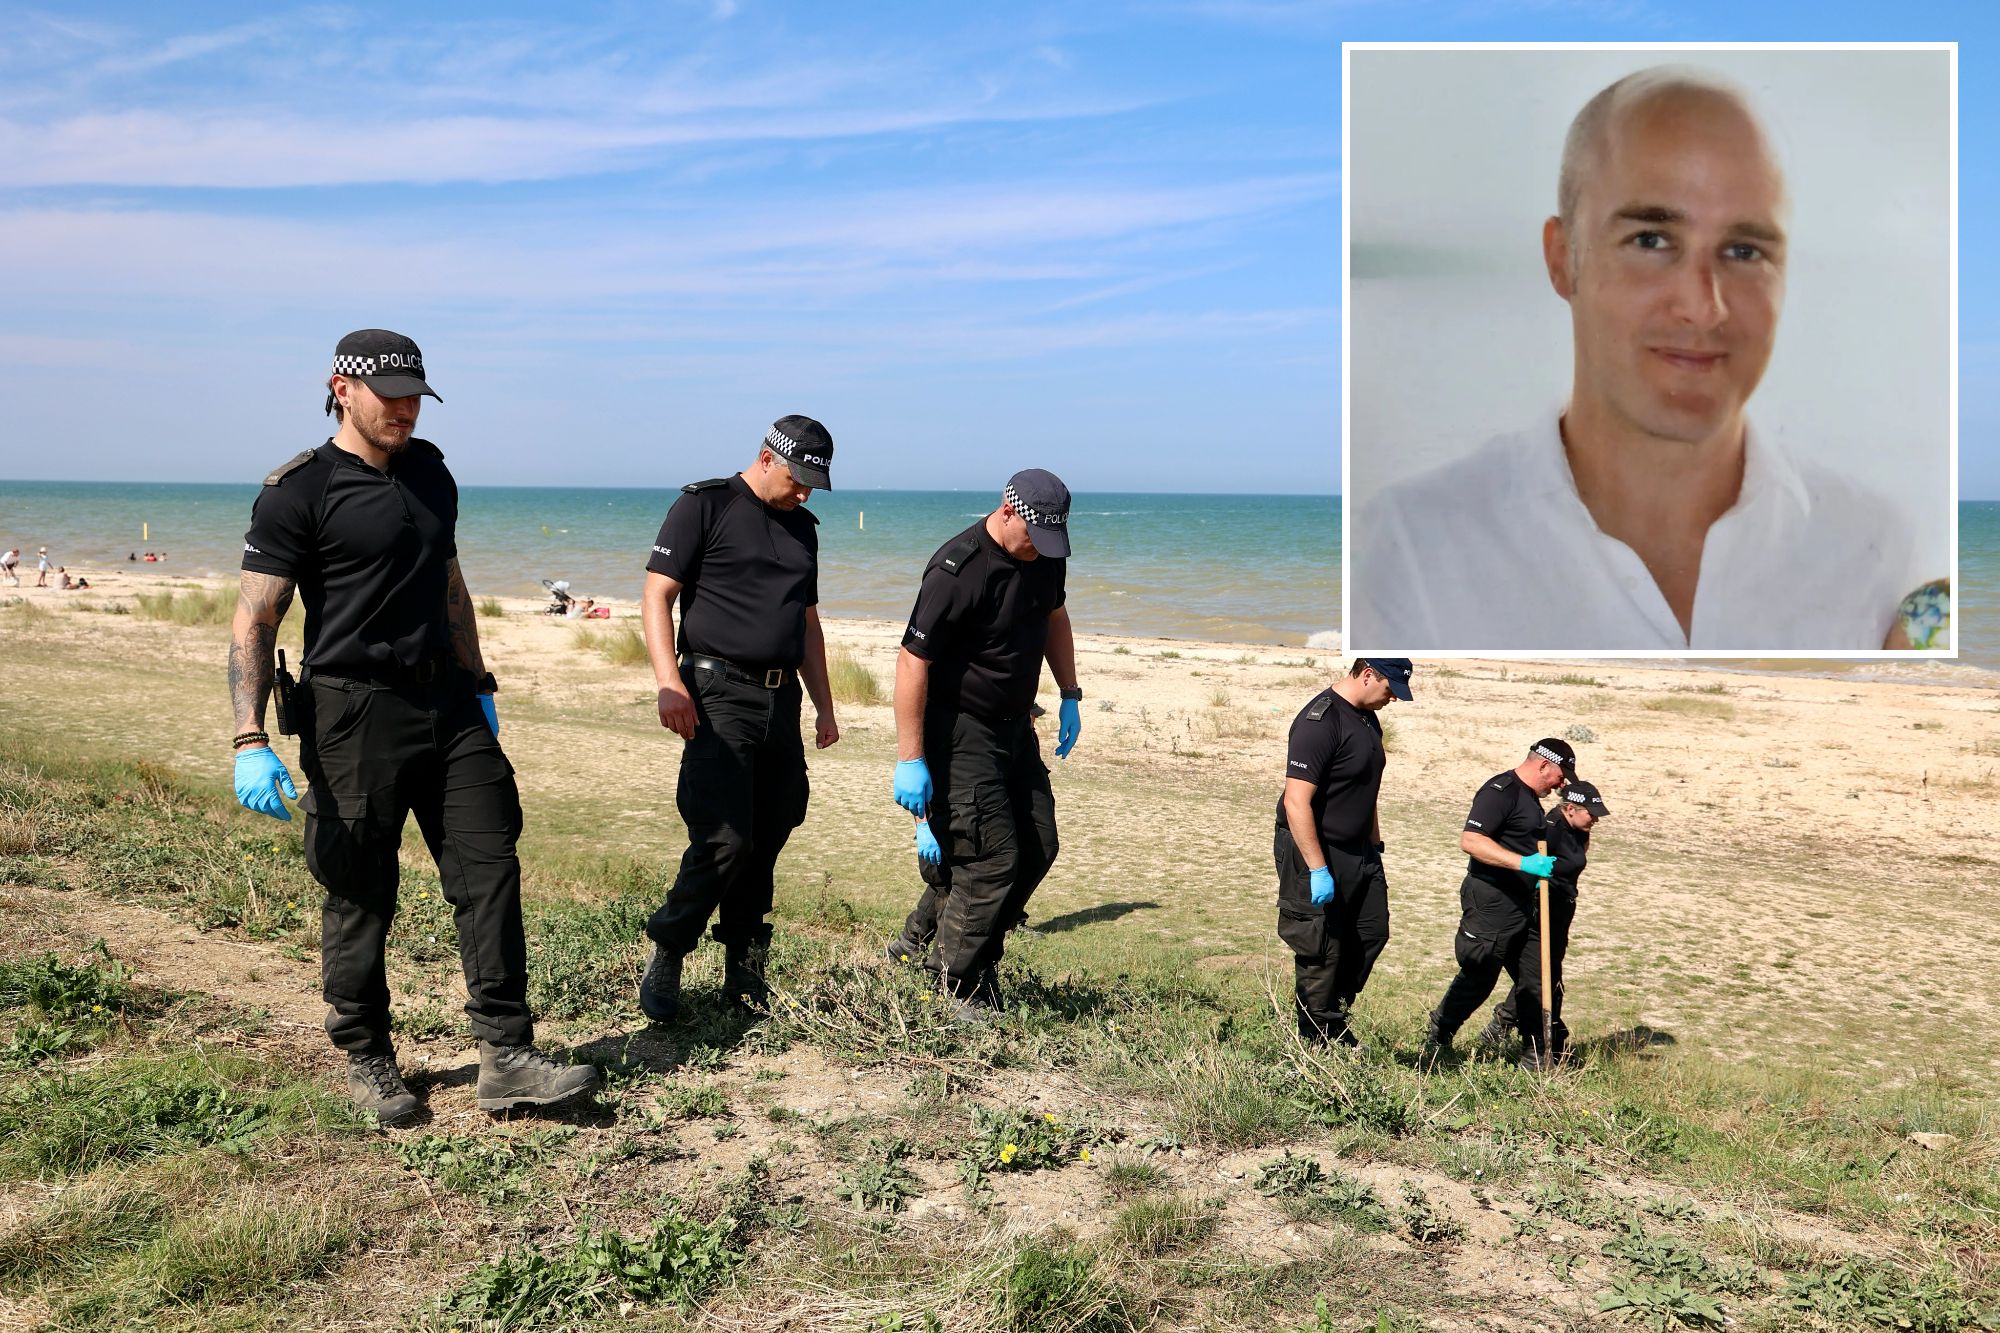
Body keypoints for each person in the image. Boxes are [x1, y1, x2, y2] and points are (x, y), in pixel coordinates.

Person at [1352, 67, 1925, 651]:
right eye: (1651, 240)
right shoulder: (1413, 552)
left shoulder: (1881, 561)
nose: (1705, 307)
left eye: (1744, 250)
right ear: (1561, 258)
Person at [229, 328, 599, 1126]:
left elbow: (452, 584)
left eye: (415, 395)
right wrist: (248, 737)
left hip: (450, 704)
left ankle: (507, 1055)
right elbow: (256, 616)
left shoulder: (432, 472)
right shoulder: (299, 490)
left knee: (489, 864)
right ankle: (366, 1054)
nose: (404, 408)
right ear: (341, 387)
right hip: (352, 711)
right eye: (389, 393)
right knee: (362, 886)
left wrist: (481, 680)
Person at [636, 416, 841, 1022]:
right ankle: (669, 949)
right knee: (725, 835)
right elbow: (656, 595)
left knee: (772, 830)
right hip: (715, 691)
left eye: (815, 483)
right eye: (799, 479)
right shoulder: (705, 506)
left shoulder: (804, 527)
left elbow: (806, 623)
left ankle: (744, 970)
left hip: (782, 701)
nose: (805, 492)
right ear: (767, 458)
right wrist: (669, 683)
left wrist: (825, 704)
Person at [883, 469, 1081, 1021]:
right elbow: (911, 662)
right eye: (1033, 538)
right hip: (960, 730)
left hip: (1017, 727)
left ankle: (928, 944)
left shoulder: (1045, 552)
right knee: (990, 857)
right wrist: (911, 759)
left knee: (1039, 843)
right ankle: (953, 982)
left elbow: (1055, 617)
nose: (1040, 551)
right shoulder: (958, 569)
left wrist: (1070, 693)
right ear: (1008, 511)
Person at [1274, 658, 1414, 1047]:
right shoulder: (1320, 722)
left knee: (1372, 932)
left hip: (1360, 849)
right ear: (1368, 674)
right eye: (1391, 690)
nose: (1393, 699)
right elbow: (1296, 802)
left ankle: (1332, 1011)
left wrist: (1375, 844)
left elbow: (1366, 788)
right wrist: (1318, 868)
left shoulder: (1368, 717)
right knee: (1322, 944)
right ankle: (1316, 1036)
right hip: (1316, 848)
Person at [1422, 738, 1578, 1068]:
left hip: (1525, 901)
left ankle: (1536, 1056)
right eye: (1561, 775)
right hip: (1491, 898)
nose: (1562, 784)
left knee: (1536, 976)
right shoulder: (1500, 791)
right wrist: (1523, 864)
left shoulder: (1531, 799)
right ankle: (1438, 1036)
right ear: (1543, 765)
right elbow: (1472, 840)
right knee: (1481, 972)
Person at [1473, 778, 1608, 1062]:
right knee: (1546, 978)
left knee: (1544, 975)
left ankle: (1506, 1023)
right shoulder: (1549, 829)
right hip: (1542, 909)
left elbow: (1576, 862)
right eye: (1591, 813)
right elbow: (1525, 860)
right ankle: (1544, 1043)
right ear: (1570, 808)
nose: (1595, 818)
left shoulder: (1580, 831)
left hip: (1562, 909)